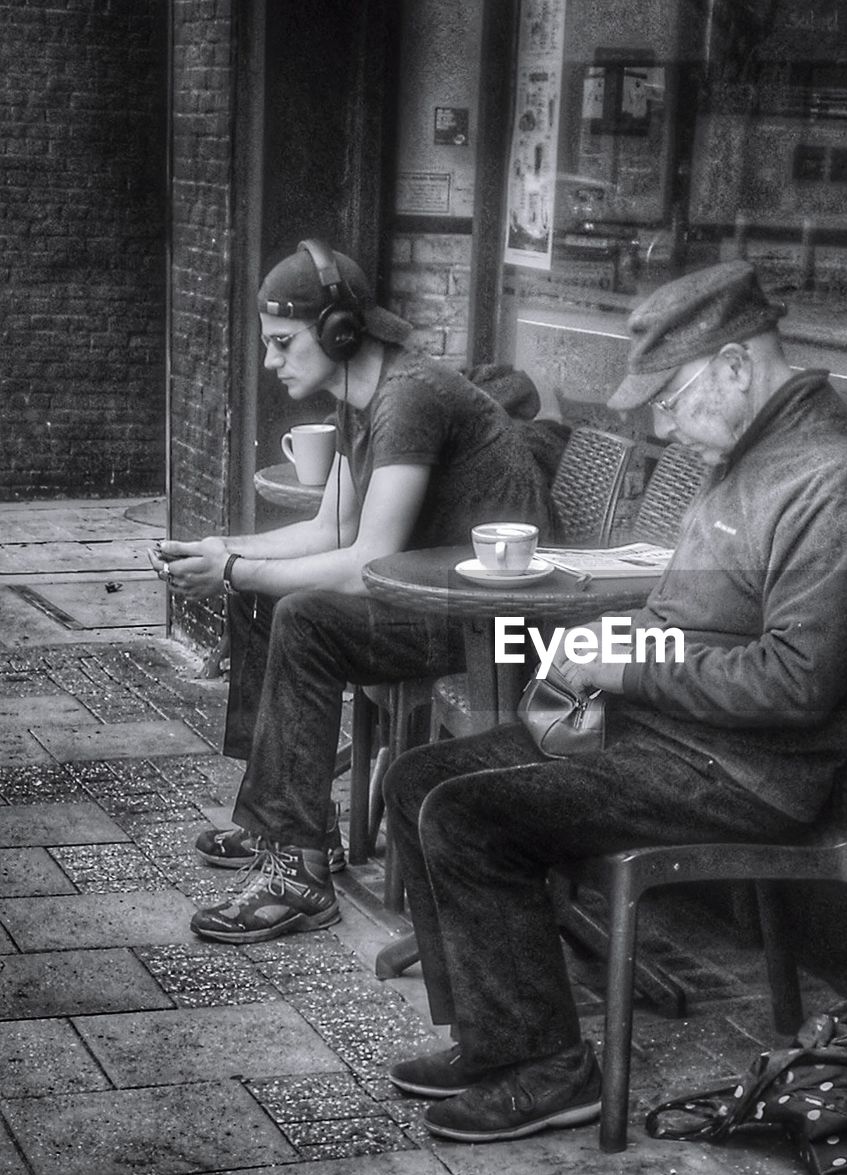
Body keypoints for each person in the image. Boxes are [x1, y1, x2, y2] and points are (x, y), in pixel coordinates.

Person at [379, 260, 847, 1143]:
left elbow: (797, 682)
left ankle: (551, 1070)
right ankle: (495, 1037)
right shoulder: (743, 451)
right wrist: (612, 647)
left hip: (745, 771)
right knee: (416, 780)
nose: (661, 422)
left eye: (672, 397)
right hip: (668, 737)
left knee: (469, 815)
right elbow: (693, 611)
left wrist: (625, 669)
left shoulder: (837, 479)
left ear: (737, 367)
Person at [151, 239, 551, 944]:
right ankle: (291, 825)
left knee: (301, 614)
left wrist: (238, 569)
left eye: (281, 343)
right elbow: (330, 524)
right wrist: (228, 553)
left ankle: (297, 874)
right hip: (435, 599)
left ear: (339, 331)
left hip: (485, 624)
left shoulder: (411, 398)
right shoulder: (364, 399)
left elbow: (368, 557)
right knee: (265, 596)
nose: (271, 362)